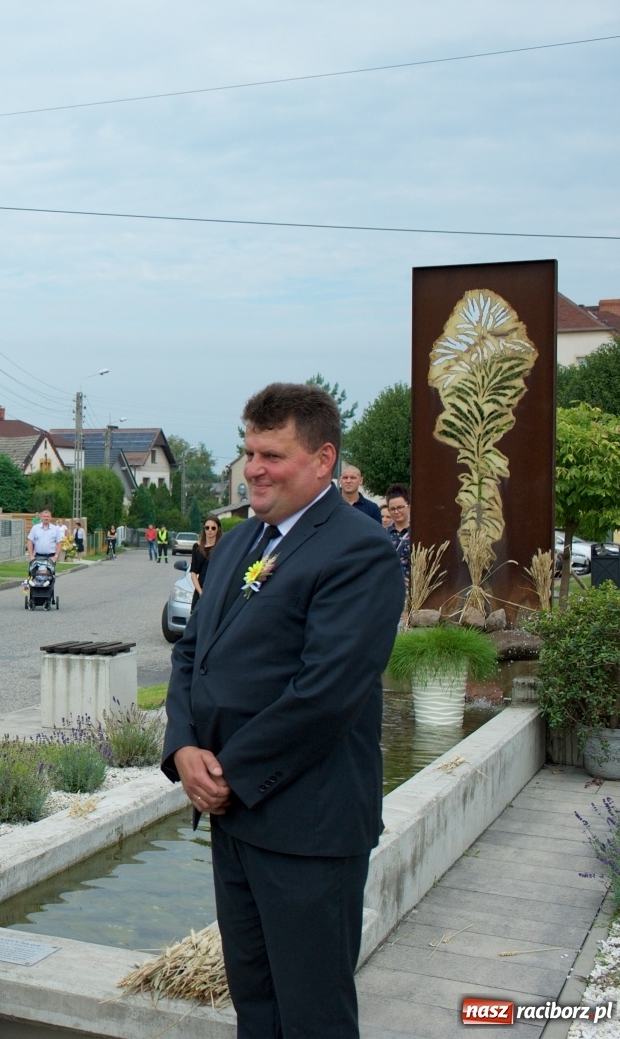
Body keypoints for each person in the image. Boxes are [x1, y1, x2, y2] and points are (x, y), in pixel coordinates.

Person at [162, 383, 404, 1038]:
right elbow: (192, 655)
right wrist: (183, 747)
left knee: (312, 1015)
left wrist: (228, 772)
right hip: (237, 821)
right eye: (249, 452)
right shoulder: (241, 541)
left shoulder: (358, 551)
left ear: (323, 460)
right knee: (257, 1006)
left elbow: (325, 693)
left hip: (307, 828)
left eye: (272, 455)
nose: (254, 469)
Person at [384, 483, 412, 589]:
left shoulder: (417, 534)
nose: (396, 512)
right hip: (388, 589)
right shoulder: (382, 535)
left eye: (400, 507)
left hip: (412, 591)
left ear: (409, 506)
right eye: (392, 509)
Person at [188, 518, 220, 608]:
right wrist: (200, 592)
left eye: (213, 528)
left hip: (216, 589)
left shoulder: (222, 547)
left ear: (218, 529)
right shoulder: (196, 547)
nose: (210, 530)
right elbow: (193, 572)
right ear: (204, 529)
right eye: (207, 527)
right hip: (200, 589)